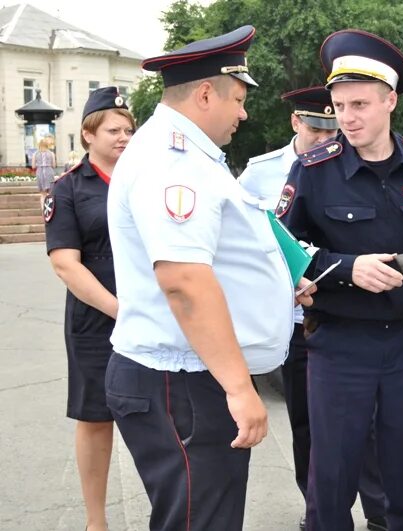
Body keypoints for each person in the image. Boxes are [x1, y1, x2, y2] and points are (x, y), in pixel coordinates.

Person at [105, 26, 312, 531]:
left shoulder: (189, 155)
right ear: (204, 94)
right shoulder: (171, 162)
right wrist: (241, 390)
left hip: (187, 379)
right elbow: (184, 281)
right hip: (183, 384)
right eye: (237, 99)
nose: (243, 113)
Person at [280, 29, 403, 531]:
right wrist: (345, 268)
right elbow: (284, 248)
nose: (347, 117)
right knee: (333, 477)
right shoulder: (313, 170)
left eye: (359, 104)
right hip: (340, 343)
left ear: (390, 101)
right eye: (340, 105)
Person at [238, 86, 388, 531]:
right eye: (317, 128)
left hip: (351, 317)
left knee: (369, 424)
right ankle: (319, 509)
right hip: (298, 322)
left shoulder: (356, 162)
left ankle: (380, 511)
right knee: (307, 425)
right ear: (295, 124)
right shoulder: (260, 175)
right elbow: (245, 242)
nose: (327, 137)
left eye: (332, 128)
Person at [43, 86, 135, 531]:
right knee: (97, 418)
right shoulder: (67, 189)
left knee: (159, 416)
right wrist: (121, 310)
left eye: (129, 130)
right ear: (87, 134)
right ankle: (95, 521)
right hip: (96, 321)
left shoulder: (145, 180)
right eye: (114, 130)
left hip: (153, 316)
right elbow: (65, 264)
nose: (124, 137)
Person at [33, 138, 56, 209]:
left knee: (42, 194)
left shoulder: (35, 154)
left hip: (40, 172)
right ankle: (50, 210)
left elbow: (33, 166)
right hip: (49, 171)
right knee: (50, 192)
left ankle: (43, 209)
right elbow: (54, 165)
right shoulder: (51, 153)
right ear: (47, 145)